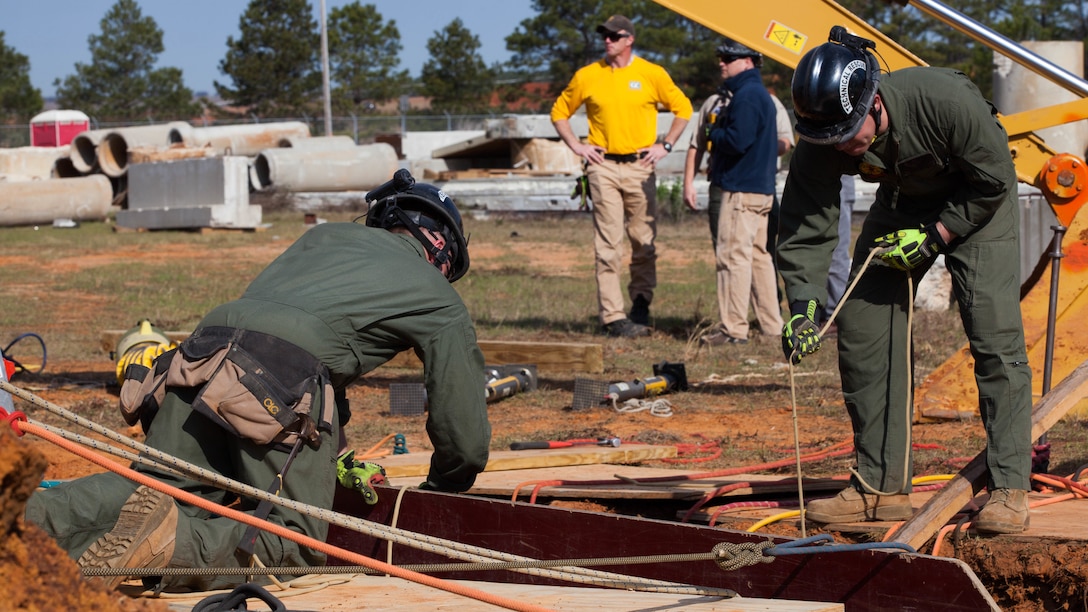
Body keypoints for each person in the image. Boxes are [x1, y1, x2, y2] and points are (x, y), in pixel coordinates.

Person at [25, 170, 493, 590]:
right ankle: (174, 544)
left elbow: (310, 339)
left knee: (159, 486)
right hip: (280, 377)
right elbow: (463, 432)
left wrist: (334, 451)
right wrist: (442, 491)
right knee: (293, 541)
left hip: (200, 355)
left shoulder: (323, 238)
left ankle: (30, 516)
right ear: (442, 250)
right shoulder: (435, 294)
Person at [777, 27, 1032, 533]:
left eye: (851, 136)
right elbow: (807, 224)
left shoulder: (947, 102)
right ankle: (879, 489)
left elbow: (994, 179)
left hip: (977, 203)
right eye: (832, 141)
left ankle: (1009, 488)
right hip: (901, 206)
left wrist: (938, 236)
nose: (844, 149)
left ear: (872, 102)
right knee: (863, 329)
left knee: (993, 335)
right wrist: (804, 306)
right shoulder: (824, 130)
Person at [551, 14, 692, 338]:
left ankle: (641, 302)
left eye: (614, 36)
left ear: (629, 39)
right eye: (605, 36)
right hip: (602, 167)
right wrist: (577, 146)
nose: (607, 41)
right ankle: (613, 317)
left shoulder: (651, 74)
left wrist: (665, 145)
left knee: (643, 240)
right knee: (608, 244)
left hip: (641, 166)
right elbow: (559, 112)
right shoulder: (587, 76)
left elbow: (683, 109)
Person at [688, 39, 781, 346]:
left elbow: (738, 140)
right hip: (760, 189)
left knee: (732, 257)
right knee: (758, 257)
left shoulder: (746, 97)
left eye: (728, 57)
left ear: (749, 62)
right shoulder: (758, 95)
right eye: (721, 57)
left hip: (740, 189)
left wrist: (714, 131)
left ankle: (733, 329)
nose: (721, 62)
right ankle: (772, 325)